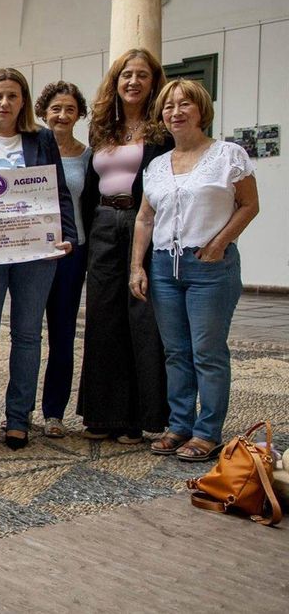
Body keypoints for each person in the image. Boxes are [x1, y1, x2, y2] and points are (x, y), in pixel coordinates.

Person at [132, 79, 259, 462]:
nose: (176, 111)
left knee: (207, 352)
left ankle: (207, 432)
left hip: (210, 266)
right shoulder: (156, 165)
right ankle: (180, 425)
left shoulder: (228, 155)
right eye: (169, 106)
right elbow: (144, 218)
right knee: (175, 352)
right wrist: (137, 266)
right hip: (163, 266)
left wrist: (219, 244)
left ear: (202, 110)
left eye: (185, 104)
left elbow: (249, 205)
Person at [0, 68, 75, 450]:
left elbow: (59, 190)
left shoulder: (41, 139)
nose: (4, 103)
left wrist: (67, 234)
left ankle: (18, 417)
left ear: (22, 101)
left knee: (27, 335)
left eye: (11, 96)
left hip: (35, 252)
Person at [77, 48, 170, 443]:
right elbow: (88, 187)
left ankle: (136, 416)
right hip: (102, 224)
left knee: (141, 320)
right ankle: (102, 415)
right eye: (126, 75)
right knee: (102, 318)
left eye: (142, 75)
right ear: (115, 83)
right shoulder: (102, 130)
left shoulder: (162, 131)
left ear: (154, 82)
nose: (133, 82)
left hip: (142, 224)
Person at [35, 81, 91, 438]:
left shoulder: (87, 156)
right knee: (25, 333)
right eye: (56, 108)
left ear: (79, 114)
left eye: (70, 109)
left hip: (73, 252)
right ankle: (17, 408)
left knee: (63, 332)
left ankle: (54, 412)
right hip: (30, 250)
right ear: (43, 111)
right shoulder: (32, 150)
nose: (62, 115)